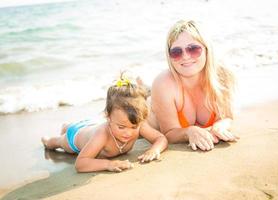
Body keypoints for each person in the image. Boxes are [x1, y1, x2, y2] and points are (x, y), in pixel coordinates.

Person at [41, 74, 168, 173]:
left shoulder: (136, 123)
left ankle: (67, 125)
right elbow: (80, 164)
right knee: (58, 142)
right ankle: (53, 137)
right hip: (75, 136)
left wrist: (154, 150)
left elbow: (161, 138)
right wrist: (108, 164)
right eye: (121, 127)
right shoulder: (102, 135)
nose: (128, 133)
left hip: (92, 124)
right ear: (108, 117)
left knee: (84, 125)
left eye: (134, 127)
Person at [149, 20, 239, 151]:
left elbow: (227, 117)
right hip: (151, 111)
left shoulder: (222, 75)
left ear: (207, 49)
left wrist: (219, 126)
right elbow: (169, 133)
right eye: (176, 52)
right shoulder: (163, 84)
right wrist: (188, 132)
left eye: (193, 49)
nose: (185, 57)